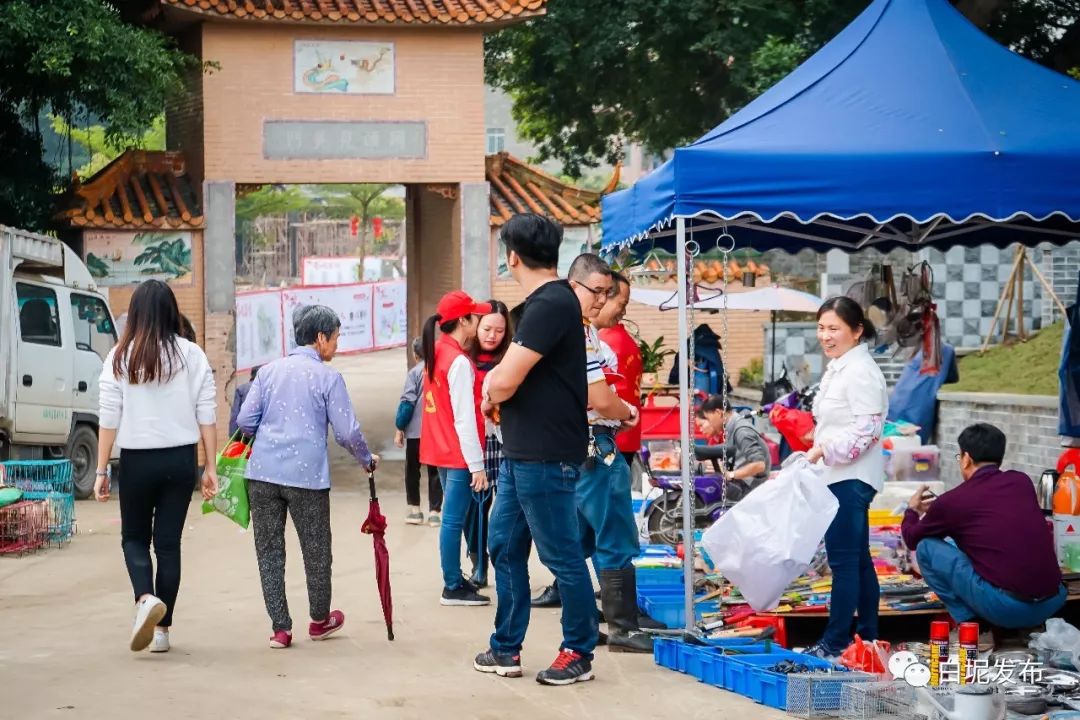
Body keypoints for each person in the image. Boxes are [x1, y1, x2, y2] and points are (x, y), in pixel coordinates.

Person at [473, 212, 598, 686]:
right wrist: (496, 392)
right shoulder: (546, 303)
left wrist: (490, 392)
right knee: (503, 545)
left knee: (561, 556)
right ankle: (506, 647)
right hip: (521, 452)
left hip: (545, 455)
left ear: (511, 256)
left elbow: (503, 379)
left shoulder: (550, 303)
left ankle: (578, 650)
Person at [236, 305, 378, 649]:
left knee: (269, 551)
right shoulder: (329, 378)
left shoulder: (268, 372)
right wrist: (365, 458)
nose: (337, 344)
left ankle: (280, 629)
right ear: (320, 338)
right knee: (316, 549)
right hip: (307, 478)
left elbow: (244, 421)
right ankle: (319, 620)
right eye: (336, 337)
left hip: (263, 474)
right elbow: (346, 432)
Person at [94, 279, 218, 654]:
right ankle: (162, 632)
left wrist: (101, 470)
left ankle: (145, 598)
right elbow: (207, 413)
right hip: (180, 460)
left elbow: (108, 417)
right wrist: (210, 467)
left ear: (135, 313)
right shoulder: (192, 355)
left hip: (137, 460)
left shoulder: (119, 356)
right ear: (170, 311)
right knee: (168, 546)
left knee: (134, 538)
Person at [902, 423, 1065, 631]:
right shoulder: (1021, 482)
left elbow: (911, 539)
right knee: (961, 542)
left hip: (1007, 608)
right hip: (1053, 601)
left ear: (966, 458)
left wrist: (912, 511)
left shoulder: (953, 501)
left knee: (927, 547)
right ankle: (1028, 626)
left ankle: (974, 627)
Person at [803, 296, 888, 661]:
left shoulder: (861, 371)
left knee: (843, 562)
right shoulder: (841, 366)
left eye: (834, 328)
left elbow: (867, 429)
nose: (826, 336)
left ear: (856, 331)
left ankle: (835, 641)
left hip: (849, 478)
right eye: (821, 328)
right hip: (840, 474)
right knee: (858, 559)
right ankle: (867, 636)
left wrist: (824, 450)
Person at [419, 290, 492, 607]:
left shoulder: (438, 352)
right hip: (457, 452)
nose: (479, 320)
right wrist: (477, 465)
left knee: (453, 519)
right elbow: (464, 417)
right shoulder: (459, 362)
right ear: (464, 321)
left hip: (441, 449)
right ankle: (451, 584)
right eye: (475, 316)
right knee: (452, 520)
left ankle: (454, 578)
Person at [464, 300, 512, 588]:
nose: (492, 335)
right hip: (475, 438)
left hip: (505, 439)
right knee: (475, 506)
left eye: (499, 330)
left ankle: (502, 561)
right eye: (487, 328)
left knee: (505, 507)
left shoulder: (511, 360)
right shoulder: (464, 359)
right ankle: (477, 562)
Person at [595, 272, 642, 468]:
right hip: (622, 432)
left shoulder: (608, 341)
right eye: (622, 305)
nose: (623, 312)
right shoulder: (618, 339)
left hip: (610, 434)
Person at [394, 337, 442, 526]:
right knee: (435, 472)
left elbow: (407, 403)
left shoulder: (414, 373)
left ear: (415, 355)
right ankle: (435, 512)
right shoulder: (440, 372)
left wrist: (400, 427)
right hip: (436, 431)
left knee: (412, 471)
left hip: (415, 432)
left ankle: (415, 510)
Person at [695, 394, 772, 499]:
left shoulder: (742, 431)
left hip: (750, 488)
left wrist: (730, 475)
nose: (710, 423)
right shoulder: (732, 427)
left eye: (709, 418)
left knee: (707, 487)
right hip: (742, 482)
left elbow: (759, 465)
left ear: (718, 413)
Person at [228, 365, 261, 438]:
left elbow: (235, 415)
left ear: (251, 375)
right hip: (262, 434)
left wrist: (233, 437)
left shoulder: (241, 389)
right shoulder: (268, 389)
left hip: (245, 434)